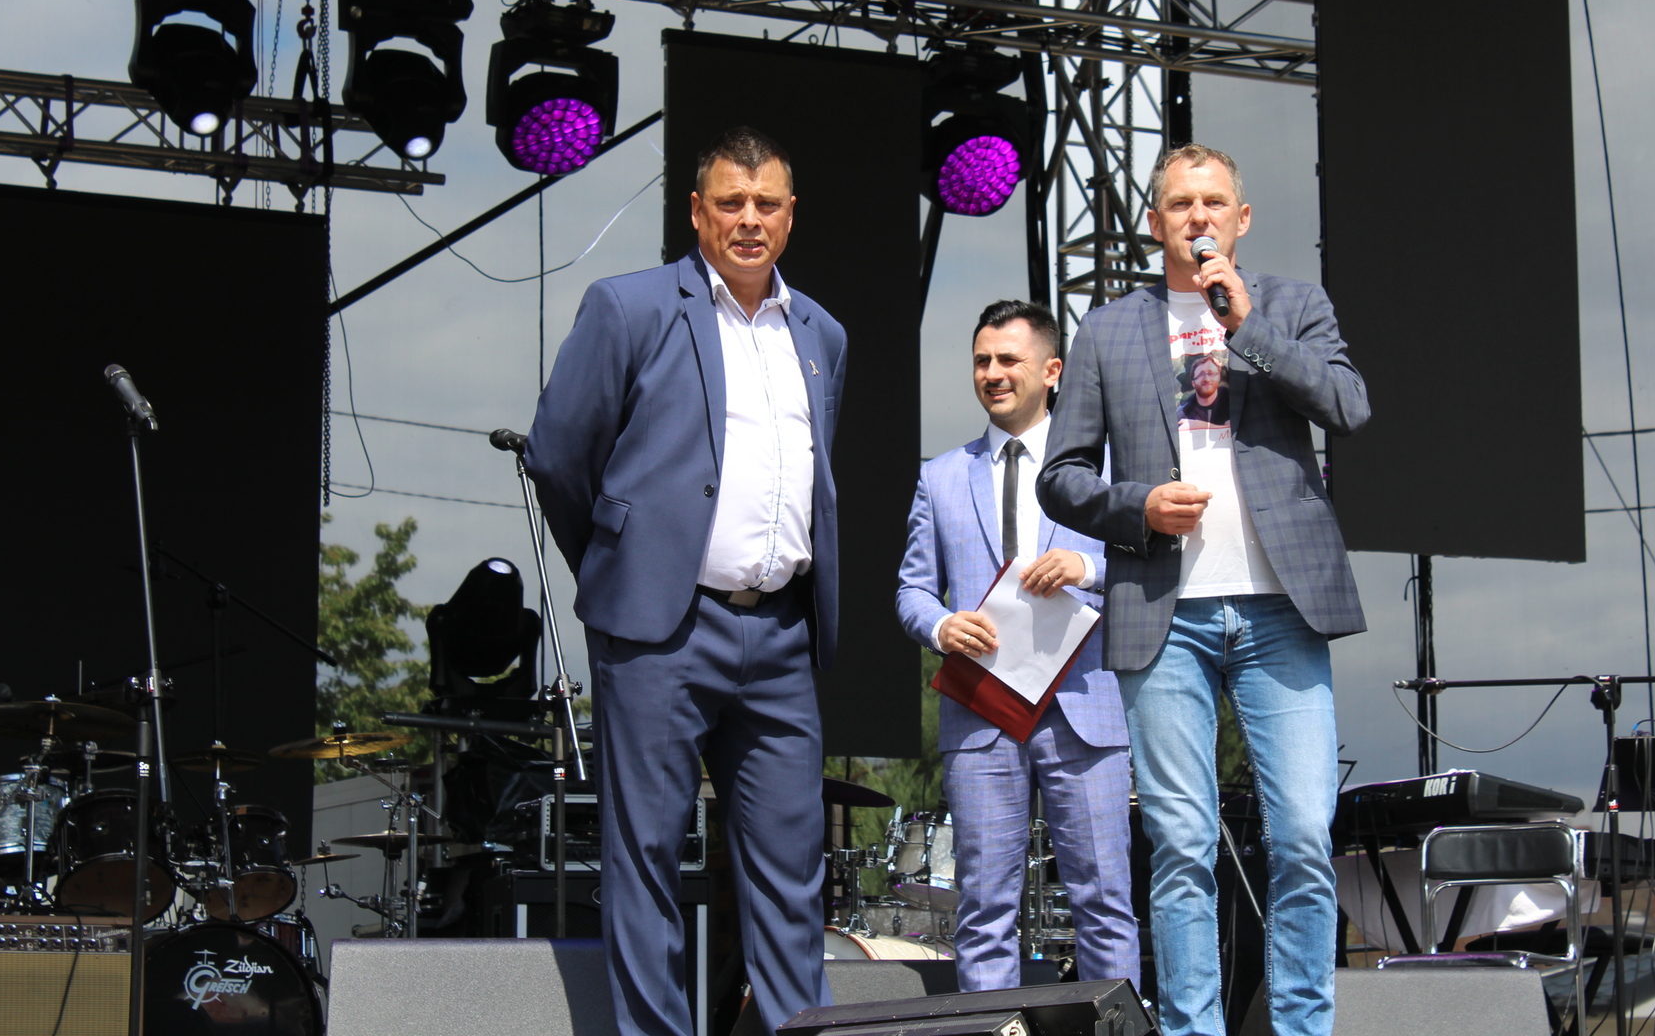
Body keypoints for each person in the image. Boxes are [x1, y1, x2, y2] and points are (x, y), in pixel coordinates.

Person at [1036, 144, 1370, 1036]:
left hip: (1281, 609)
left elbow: (1348, 407)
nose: (1199, 217)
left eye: (1214, 202)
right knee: (1181, 846)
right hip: (1164, 615)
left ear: (1241, 218)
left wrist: (1249, 326)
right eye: (1180, 204)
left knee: (1303, 836)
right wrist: (1137, 505)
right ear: (1156, 223)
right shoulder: (1108, 330)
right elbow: (1060, 477)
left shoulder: (1293, 305)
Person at [525, 126, 844, 1036]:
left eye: (767, 204)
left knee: (792, 873)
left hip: (779, 634)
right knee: (648, 860)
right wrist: (623, 562)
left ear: (790, 216)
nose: (749, 220)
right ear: (697, 212)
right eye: (731, 203)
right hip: (661, 631)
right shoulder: (628, 307)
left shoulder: (822, 334)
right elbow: (559, 457)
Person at [896, 300, 1141, 994]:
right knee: (983, 910)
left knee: (1104, 904)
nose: (993, 373)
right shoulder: (942, 476)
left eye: (1009, 359)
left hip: (1083, 708)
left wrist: (1087, 567)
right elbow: (912, 589)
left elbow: (1154, 563)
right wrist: (941, 626)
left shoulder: (1104, 466)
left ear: (1053, 370)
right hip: (982, 711)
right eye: (982, 361)